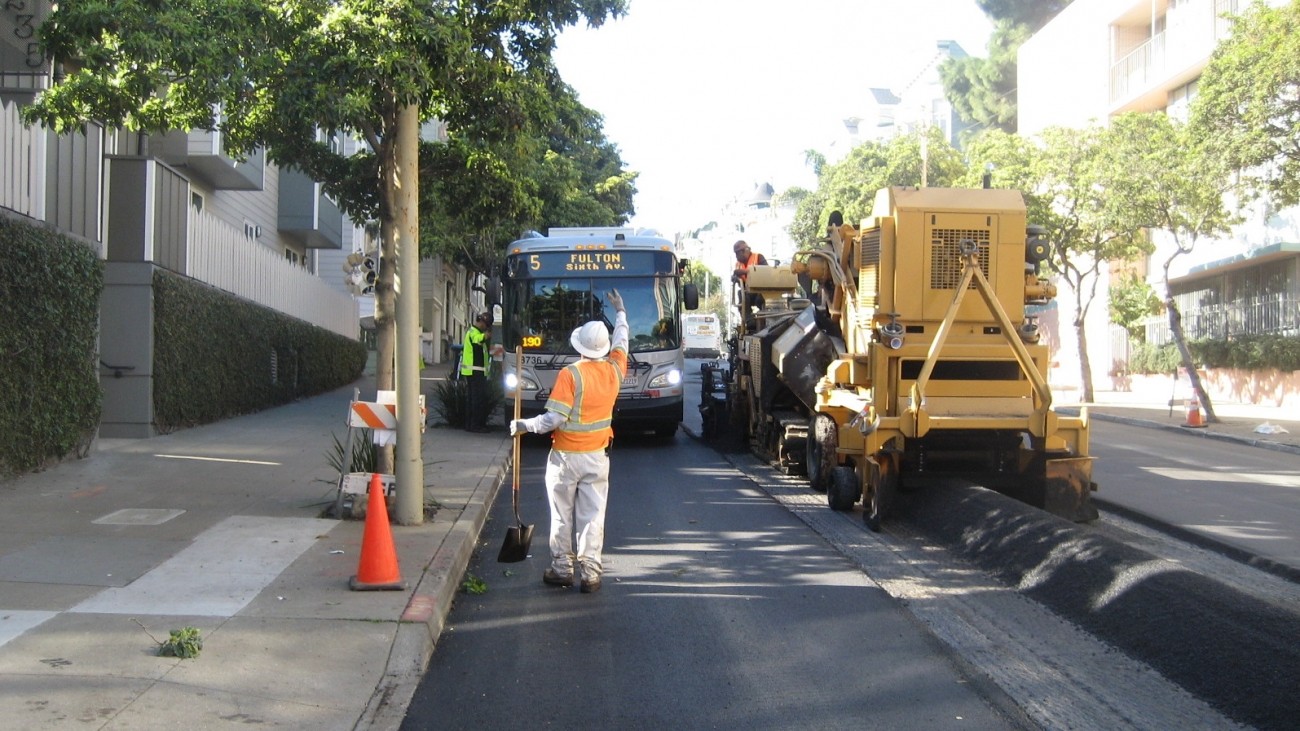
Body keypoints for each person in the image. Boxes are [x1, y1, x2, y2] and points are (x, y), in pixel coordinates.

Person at [509, 289, 628, 593]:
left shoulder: (570, 374)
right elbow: (622, 344)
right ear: (603, 349)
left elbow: (553, 420)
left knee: (562, 515)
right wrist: (621, 313)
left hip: (565, 457)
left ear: (580, 347)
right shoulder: (615, 371)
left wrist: (524, 425)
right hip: (597, 457)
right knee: (592, 517)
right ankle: (591, 574)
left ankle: (562, 569)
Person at [461, 312, 493, 433]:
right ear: (481, 322)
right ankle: (475, 425)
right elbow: (476, 340)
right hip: (474, 372)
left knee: (473, 399)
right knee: (476, 400)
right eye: (486, 325)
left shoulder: (475, 332)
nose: (486, 327)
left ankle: (471, 425)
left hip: (475, 372)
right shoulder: (474, 332)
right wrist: (485, 336)